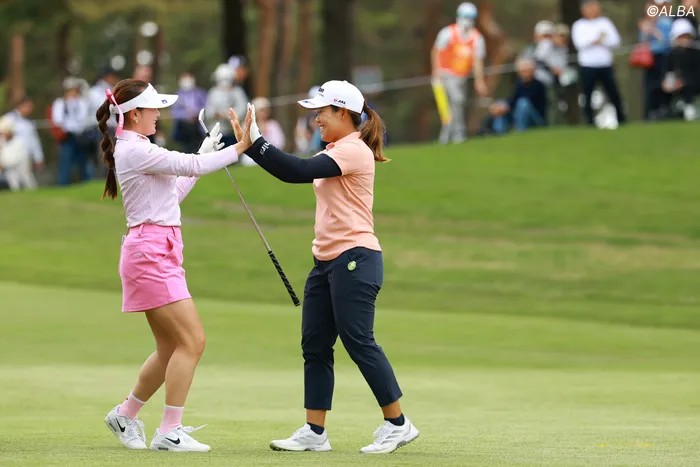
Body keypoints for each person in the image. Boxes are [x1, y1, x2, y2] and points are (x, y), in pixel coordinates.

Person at [229, 80, 419, 455]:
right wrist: (251, 145)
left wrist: (257, 142)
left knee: (358, 340)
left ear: (343, 113)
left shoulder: (354, 150)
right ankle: (315, 431)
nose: (316, 119)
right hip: (326, 261)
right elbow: (291, 169)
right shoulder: (335, 149)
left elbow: (296, 170)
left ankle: (398, 424)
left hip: (355, 259)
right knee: (315, 345)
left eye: (322, 112)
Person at [96, 78, 253, 453]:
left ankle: (125, 414)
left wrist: (203, 154)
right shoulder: (136, 150)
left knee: (170, 346)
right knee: (193, 341)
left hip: (157, 250)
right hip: (151, 255)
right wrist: (240, 148)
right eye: (154, 109)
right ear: (135, 114)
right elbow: (190, 165)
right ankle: (169, 430)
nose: (158, 115)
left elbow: (173, 193)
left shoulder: (138, 147)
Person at [431, 1, 488, 144]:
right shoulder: (448, 33)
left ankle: (445, 138)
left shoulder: (476, 38)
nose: (467, 20)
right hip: (444, 76)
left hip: (461, 78)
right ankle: (458, 135)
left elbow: (477, 62)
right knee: (456, 101)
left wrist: (479, 81)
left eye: (470, 17)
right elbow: (436, 51)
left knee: (453, 108)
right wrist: (436, 70)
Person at [572, 0, 626, 126]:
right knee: (588, 95)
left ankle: (621, 119)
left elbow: (616, 41)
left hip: (605, 64)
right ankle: (590, 121)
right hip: (588, 65)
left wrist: (602, 41)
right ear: (583, 10)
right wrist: (593, 40)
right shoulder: (579, 25)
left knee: (613, 93)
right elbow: (579, 43)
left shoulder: (605, 23)